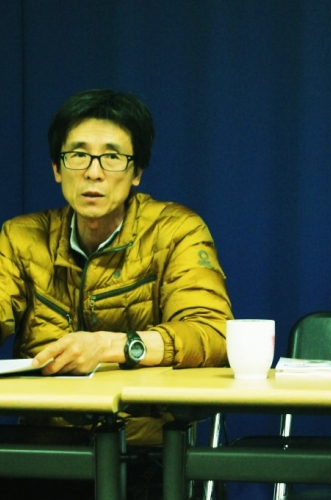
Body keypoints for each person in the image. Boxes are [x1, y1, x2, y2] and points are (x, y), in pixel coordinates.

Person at [0, 89, 233, 498]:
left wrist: (114, 346)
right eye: (78, 155)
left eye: (112, 157)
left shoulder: (176, 230)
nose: (94, 173)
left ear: (136, 171)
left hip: (147, 453)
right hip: (44, 450)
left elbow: (213, 333)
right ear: (57, 168)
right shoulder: (21, 237)